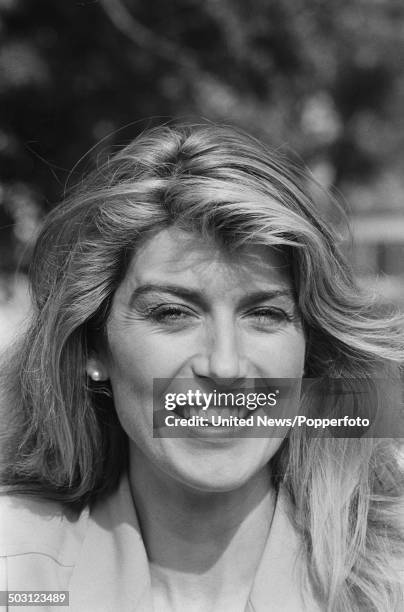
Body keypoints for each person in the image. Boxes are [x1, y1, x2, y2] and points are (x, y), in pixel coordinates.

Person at [0, 124, 403, 612]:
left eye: (265, 314)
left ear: (308, 352)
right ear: (92, 347)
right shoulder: (19, 575)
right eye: (172, 313)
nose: (226, 365)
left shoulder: (389, 578)